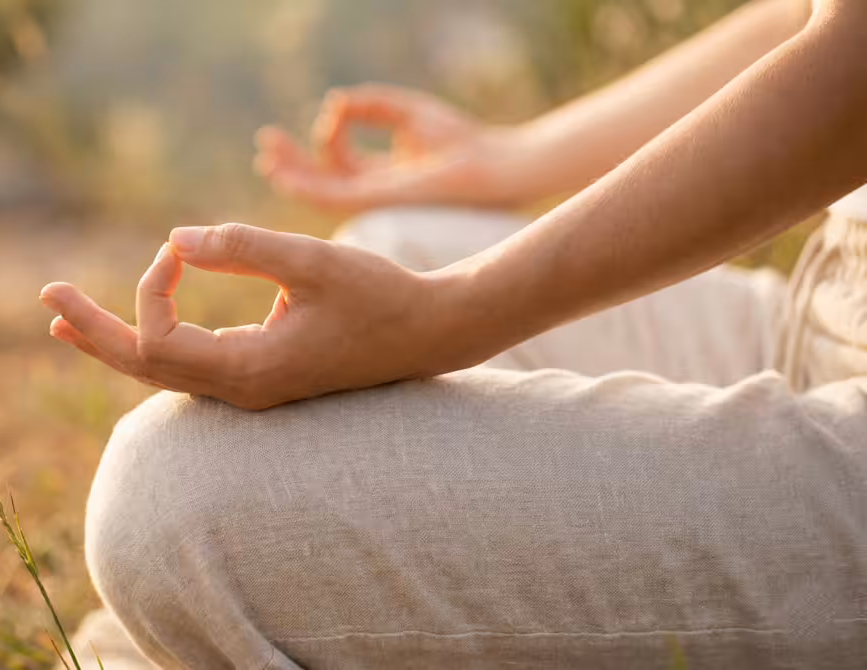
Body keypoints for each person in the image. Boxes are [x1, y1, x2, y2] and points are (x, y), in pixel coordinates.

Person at [46, 0, 867, 667]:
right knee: (397, 241)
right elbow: (807, 21)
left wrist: (447, 317)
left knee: (172, 497)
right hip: (817, 299)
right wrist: (512, 158)